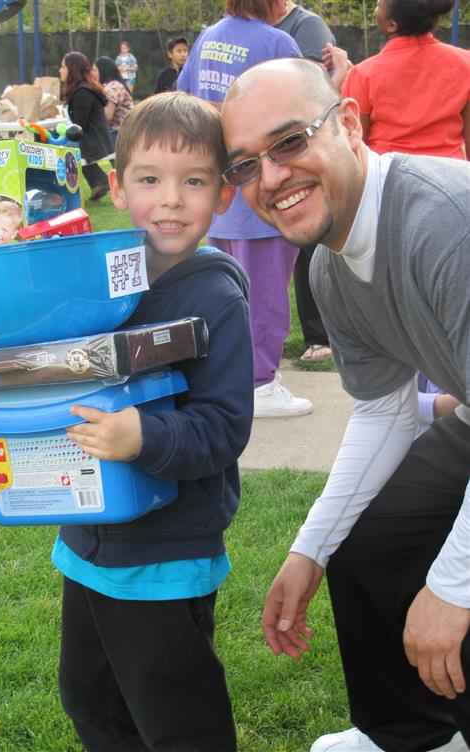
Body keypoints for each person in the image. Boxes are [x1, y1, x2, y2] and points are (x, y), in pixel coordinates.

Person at [221, 57, 470, 752]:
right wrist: (310, 551)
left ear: (350, 125)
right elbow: (386, 412)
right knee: (367, 544)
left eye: (290, 141)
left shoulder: (445, 222)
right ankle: (410, 736)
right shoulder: (330, 264)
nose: (270, 178)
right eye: (245, 165)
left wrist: (453, 589)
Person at [52, 90, 254, 752]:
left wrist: (146, 436)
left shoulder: (216, 298)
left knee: (178, 720)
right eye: (149, 179)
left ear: (223, 194)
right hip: (88, 539)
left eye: (193, 181)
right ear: (116, 184)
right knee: (91, 699)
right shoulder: (106, 277)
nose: (170, 199)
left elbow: (225, 427)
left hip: (166, 554)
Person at [178, 0, 314, 419]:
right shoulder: (277, 42)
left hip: (221, 188)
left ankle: (228, 377)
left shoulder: (208, 36)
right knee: (267, 295)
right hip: (265, 188)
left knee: (225, 294)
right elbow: (305, 107)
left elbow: (184, 97)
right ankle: (261, 385)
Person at [276, 0, 336, 362]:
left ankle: (324, 336)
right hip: (269, 152)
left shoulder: (307, 26)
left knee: (312, 242)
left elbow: (314, 93)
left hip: (305, 149)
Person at [341, 0, 470, 159]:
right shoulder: (465, 64)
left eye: (378, 5)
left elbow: (355, 145)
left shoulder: (363, 74)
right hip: (448, 176)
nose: (375, 9)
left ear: (392, 25)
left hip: (388, 177)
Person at [59, 51, 113, 201]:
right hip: (95, 138)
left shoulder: (82, 92)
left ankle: (99, 182)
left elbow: (78, 125)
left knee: (63, 149)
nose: (60, 70)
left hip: (92, 141)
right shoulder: (83, 89)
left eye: (63, 67)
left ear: (72, 69)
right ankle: (98, 183)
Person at [93, 56, 134, 148]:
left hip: (120, 134)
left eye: (94, 70)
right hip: (120, 132)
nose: (92, 74)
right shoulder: (111, 85)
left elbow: (107, 116)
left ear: (103, 71)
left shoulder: (112, 87)